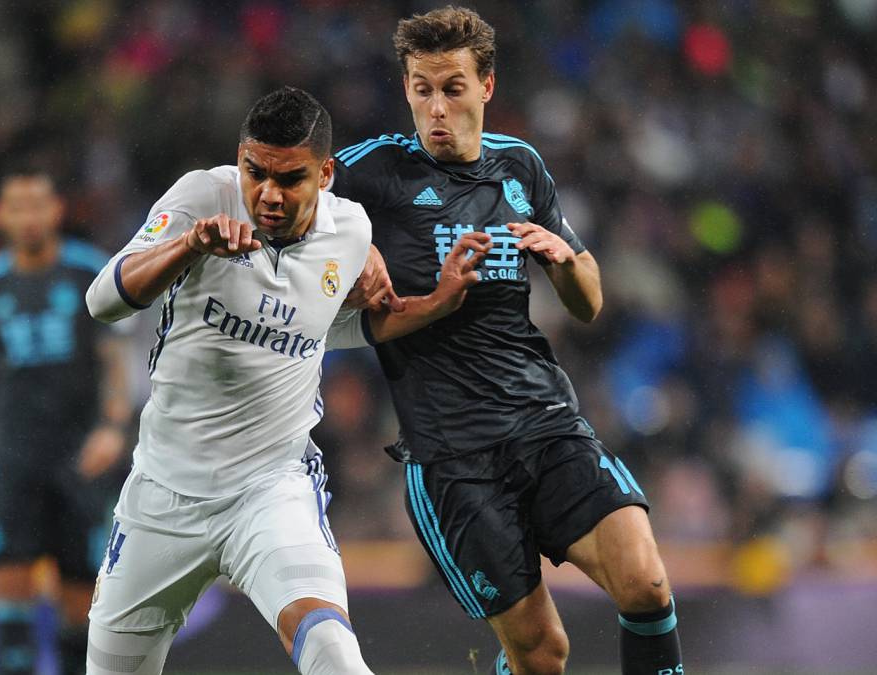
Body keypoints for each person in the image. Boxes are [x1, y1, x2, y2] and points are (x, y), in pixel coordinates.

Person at [82, 86, 490, 675]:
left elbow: (326, 328)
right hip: (163, 495)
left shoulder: (350, 231)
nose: (269, 194)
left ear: (324, 174)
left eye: (290, 178)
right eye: (256, 172)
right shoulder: (203, 196)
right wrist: (188, 247)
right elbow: (102, 301)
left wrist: (434, 306)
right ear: (240, 159)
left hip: (270, 490)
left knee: (333, 653)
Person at [329, 7, 685, 675]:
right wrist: (351, 248)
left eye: (453, 88)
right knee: (543, 653)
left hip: (546, 423)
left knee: (646, 583)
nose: (436, 107)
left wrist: (564, 261)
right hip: (453, 457)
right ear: (406, 87)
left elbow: (589, 302)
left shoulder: (520, 166)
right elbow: (283, 199)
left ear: (486, 86)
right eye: (421, 89)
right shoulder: (367, 174)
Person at [0, 170, 133, 675]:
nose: (29, 217)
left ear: (56, 210)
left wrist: (113, 427)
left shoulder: (90, 273)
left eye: (38, 204)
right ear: (0, 216)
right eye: (17, 206)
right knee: (11, 617)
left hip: (82, 461)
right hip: (12, 458)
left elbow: (116, 360)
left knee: (81, 617)